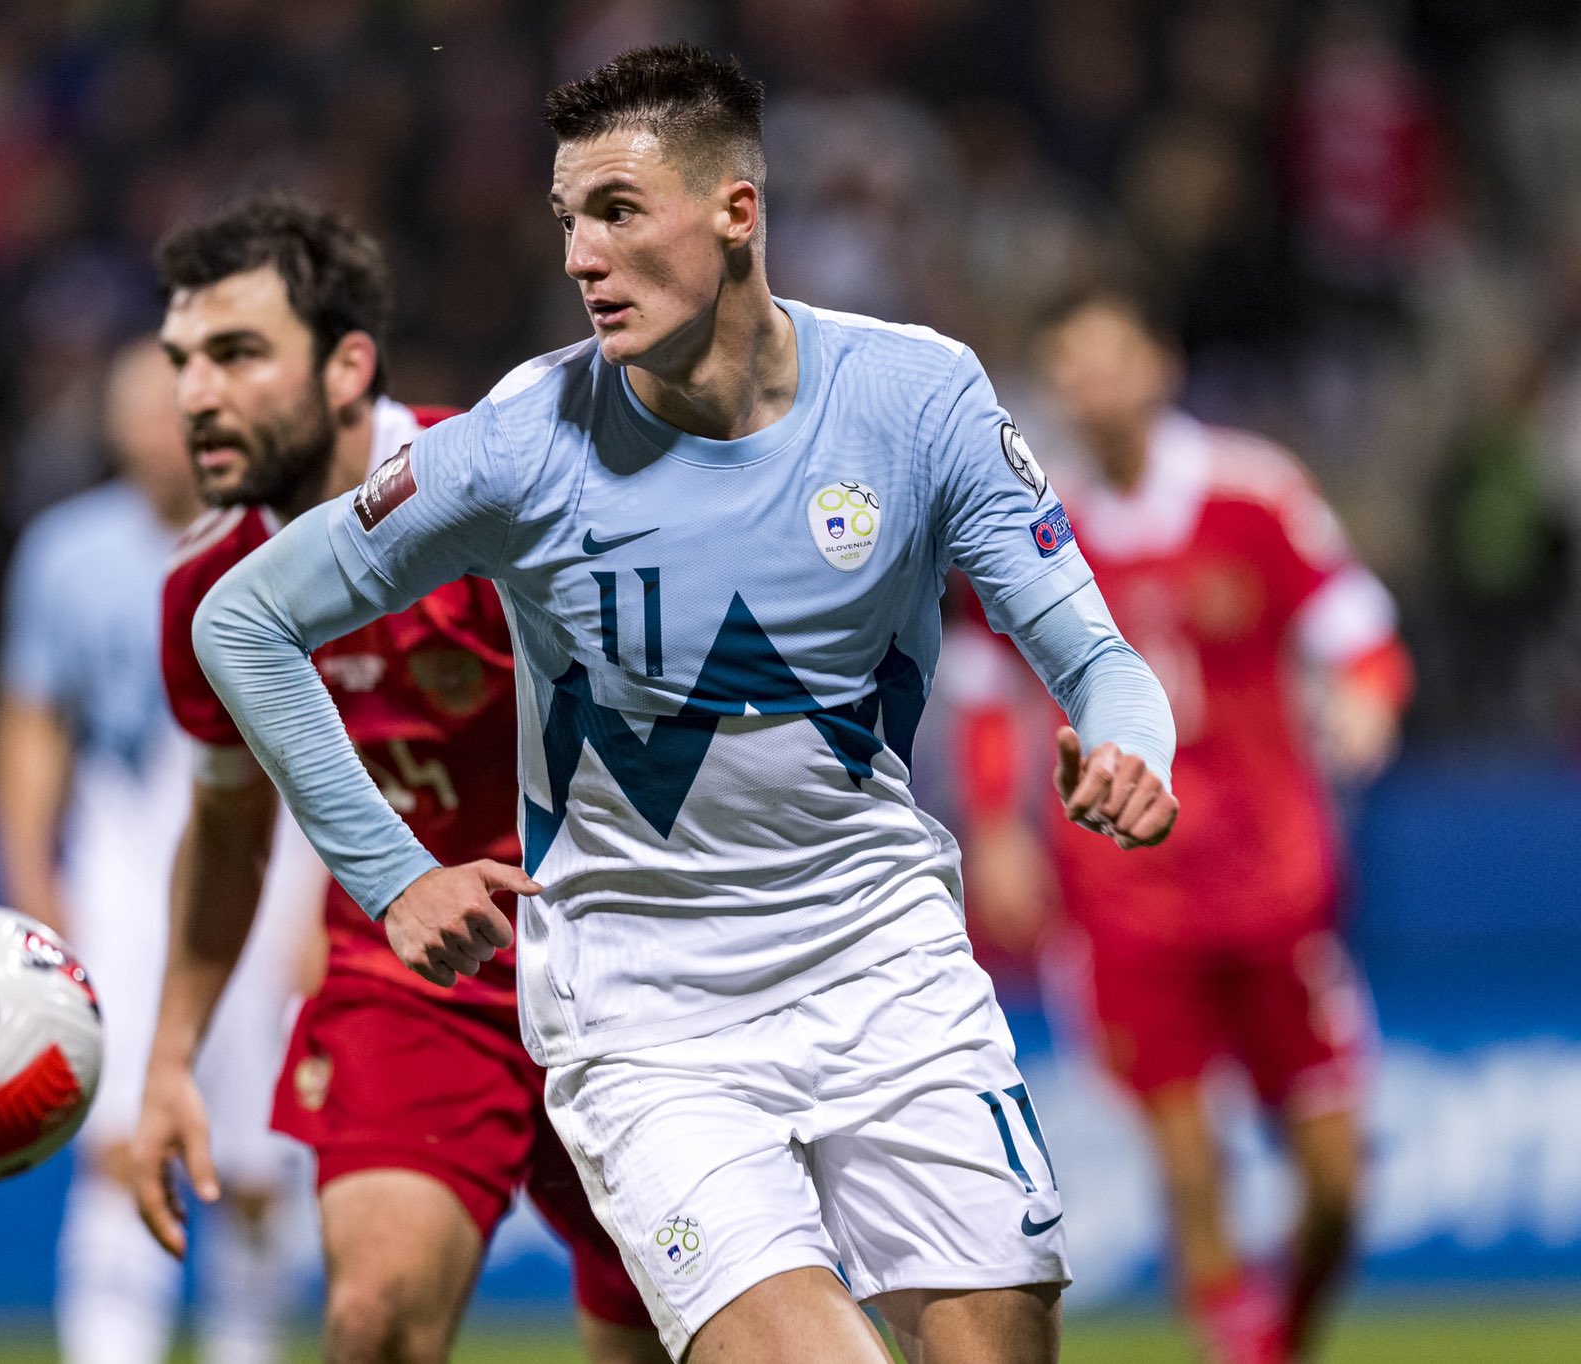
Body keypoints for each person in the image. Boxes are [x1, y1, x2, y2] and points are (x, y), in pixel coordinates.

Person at [186, 46, 1182, 1364]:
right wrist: (390, 874)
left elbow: (1096, 655)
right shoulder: (520, 441)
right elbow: (242, 620)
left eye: (615, 211)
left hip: (893, 972)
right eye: (566, 221)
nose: (580, 258)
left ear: (736, 213)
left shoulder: (917, 396)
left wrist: (1131, 744)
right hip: (650, 1021)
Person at [125, 194, 663, 1364]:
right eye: (182, 362)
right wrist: (169, 1055)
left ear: (346, 365)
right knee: (369, 1321)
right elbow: (228, 834)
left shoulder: (493, 492)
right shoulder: (205, 590)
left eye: (236, 354)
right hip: (413, 973)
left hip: (618, 956)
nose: (195, 395)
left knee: (666, 1333)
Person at [949, 291, 1412, 1364]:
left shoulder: (1253, 495)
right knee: (1189, 1159)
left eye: (1109, 358)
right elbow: (981, 681)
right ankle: (1233, 1346)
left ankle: (1276, 1337)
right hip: (1122, 895)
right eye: (1069, 366)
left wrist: (1364, 696)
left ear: (1159, 364)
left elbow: (1358, 625)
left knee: (1335, 1186)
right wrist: (995, 825)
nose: (1090, 384)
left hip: (1273, 882)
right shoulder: (1033, 520)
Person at [0, 339, 317, 1364]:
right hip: (126, 851)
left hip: (271, 840)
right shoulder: (65, 552)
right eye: (137, 412)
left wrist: (324, 906)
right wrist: (36, 886)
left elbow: (332, 721)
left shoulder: (287, 539)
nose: (158, 432)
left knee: (258, 1157)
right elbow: (31, 723)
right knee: (119, 1126)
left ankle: (244, 1340)